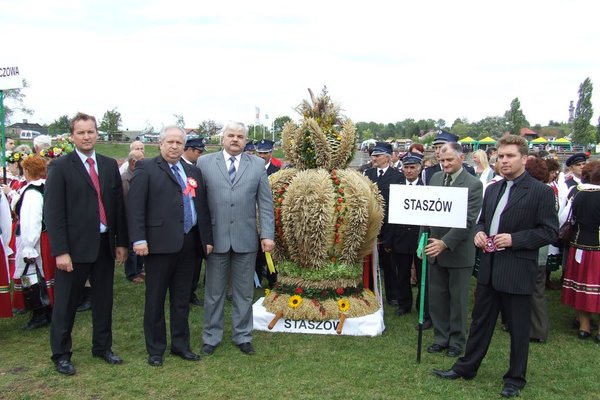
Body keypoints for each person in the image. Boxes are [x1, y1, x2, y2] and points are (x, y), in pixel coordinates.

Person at [433, 135, 558, 399]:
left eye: (509, 156)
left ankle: (515, 378)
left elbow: (549, 232)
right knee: (480, 323)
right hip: (489, 269)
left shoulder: (541, 192)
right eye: (500, 156)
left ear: (524, 159)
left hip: (517, 271)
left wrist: (515, 239)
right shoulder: (492, 188)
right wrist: (479, 233)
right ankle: (466, 368)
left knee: (518, 330)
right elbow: (483, 221)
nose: (503, 161)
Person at [44, 112, 129, 376]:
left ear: (97, 133)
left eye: (90, 131)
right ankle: (61, 354)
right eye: (80, 132)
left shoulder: (107, 165)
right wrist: (61, 251)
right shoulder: (60, 167)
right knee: (66, 304)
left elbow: (117, 207)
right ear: (72, 136)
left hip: (104, 244)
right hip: (74, 249)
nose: (86, 136)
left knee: (103, 301)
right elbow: (53, 213)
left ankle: (102, 347)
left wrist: (121, 242)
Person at [128, 126, 213, 367]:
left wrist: (205, 239)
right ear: (160, 144)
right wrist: (138, 239)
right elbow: (135, 207)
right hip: (158, 245)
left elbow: (202, 208)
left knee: (181, 298)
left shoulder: (191, 170)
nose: (175, 146)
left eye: (179, 142)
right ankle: (156, 349)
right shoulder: (146, 168)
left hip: (189, 243)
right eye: (170, 142)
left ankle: (180, 345)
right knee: (155, 299)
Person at [198, 121, 274, 356]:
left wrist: (267, 235)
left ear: (245, 140)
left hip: (246, 239)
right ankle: (211, 336)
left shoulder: (258, 165)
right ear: (223, 138)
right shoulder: (204, 163)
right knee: (214, 291)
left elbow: (265, 203)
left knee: (244, 292)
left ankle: (243, 335)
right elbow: (199, 203)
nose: (235, 139)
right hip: (215, 238)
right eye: (230, 135)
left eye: (240, 136)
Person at [425, 142, 483, 358]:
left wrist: (445, 243)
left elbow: (468, 221)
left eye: (449, 160)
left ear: (461, 158)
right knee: (438, 298)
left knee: (457, 300)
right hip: (434, 250)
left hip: (458, 253)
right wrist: (425, 241)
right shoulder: (435, 179)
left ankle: (457, 341)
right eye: (441, 160)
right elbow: (427, 212)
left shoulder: (474, 185)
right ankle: (441, 338)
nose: (445, 164)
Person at [12, 155, 54, 330]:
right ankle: (47, 309)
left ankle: (40, 312)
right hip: (45, 237)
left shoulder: (32, 193)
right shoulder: (45, 187)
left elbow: (32, 220)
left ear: (28, 171)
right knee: (44, 274)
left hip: (36, 240)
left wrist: (29, 246)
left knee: (32, 275)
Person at [561, 160, 600, 342]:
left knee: (582, 286)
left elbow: (563, 218)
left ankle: (584, 327)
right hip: (597, 248)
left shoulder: (577, 192)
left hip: (579, 246)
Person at [384, 152, 424, 317]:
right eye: (406, 167)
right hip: (399, 238)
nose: (409, 171)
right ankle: (403, 304)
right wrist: (388, 240)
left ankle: (422, 306)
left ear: (419, 169)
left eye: (412, 167)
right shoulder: (396, 187)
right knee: (402, 274)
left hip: (419, 238)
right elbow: (389, 215)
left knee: (422, 275)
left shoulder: (427, 189)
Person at [364, 142, 403, 306]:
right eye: (373, 155)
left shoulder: (397, 176)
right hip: (370, 224)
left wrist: (390, 232)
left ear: (387, 157)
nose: (374, 158)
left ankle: (393, 295)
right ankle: (368, 291)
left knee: (389, 263)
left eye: (378, 155)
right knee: (368, 261)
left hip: (389, 226)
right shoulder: (367, 174)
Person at [180, 137, 208, 306]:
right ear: (188, 149)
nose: (200, 155)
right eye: (198, 151)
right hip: (180, 225)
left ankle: (191, 291)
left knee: (195, 262)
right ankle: (184, 292)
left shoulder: (195, 170)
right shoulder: (180, 167)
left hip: (195, 226)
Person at [121, 150, 145, 283]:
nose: (144, 159)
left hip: (136, 217)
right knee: (131, 246)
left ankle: (139, 269)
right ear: (133, 161)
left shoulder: (137, 174)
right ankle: (131, 273)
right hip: (129, 217)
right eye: (141, 158)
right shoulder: (126, 178)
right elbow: (126, 200)